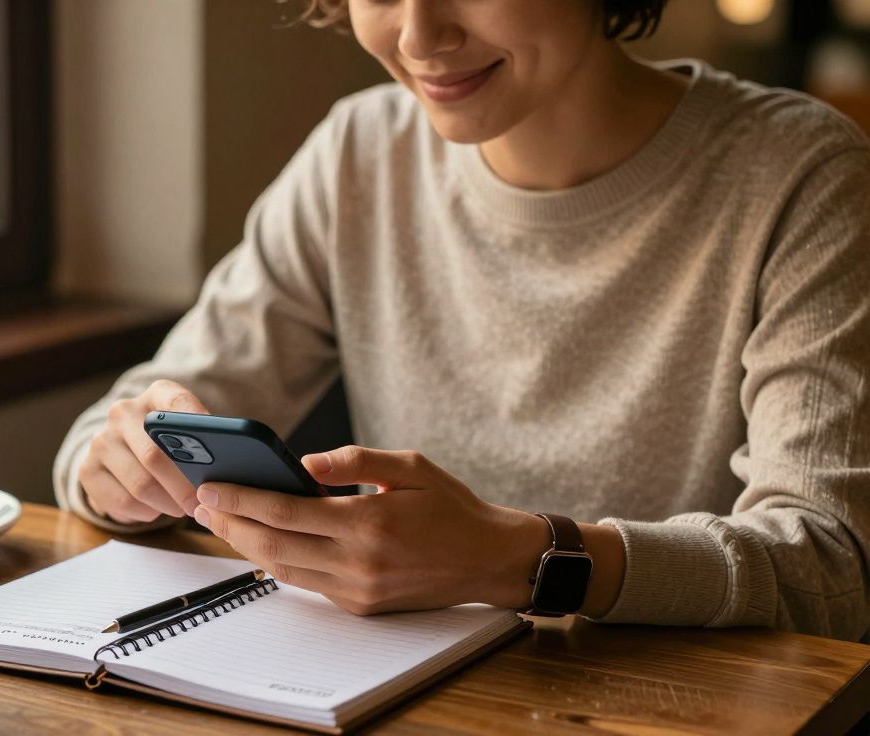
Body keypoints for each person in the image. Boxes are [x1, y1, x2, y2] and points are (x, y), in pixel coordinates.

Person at [53, 0, 870, 641]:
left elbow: (830, 569)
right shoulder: (360, 153)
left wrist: (524, 560)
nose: (419, 36)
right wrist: (118, 467)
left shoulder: (802, 177)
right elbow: (119, 421)